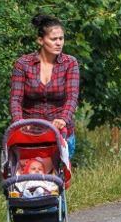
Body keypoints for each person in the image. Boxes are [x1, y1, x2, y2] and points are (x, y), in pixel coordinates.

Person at [10, 14, 80, 159]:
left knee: (56, 176)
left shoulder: (70, 63)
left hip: (60, 132)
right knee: (27, 173)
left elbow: (72, 96)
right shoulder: (23, 64)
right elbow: (16, 99)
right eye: (53, 39)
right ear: (40, 40)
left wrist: (63, 119)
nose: (58, 43)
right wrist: (19, 123)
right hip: (30, 132)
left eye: (61, 39)